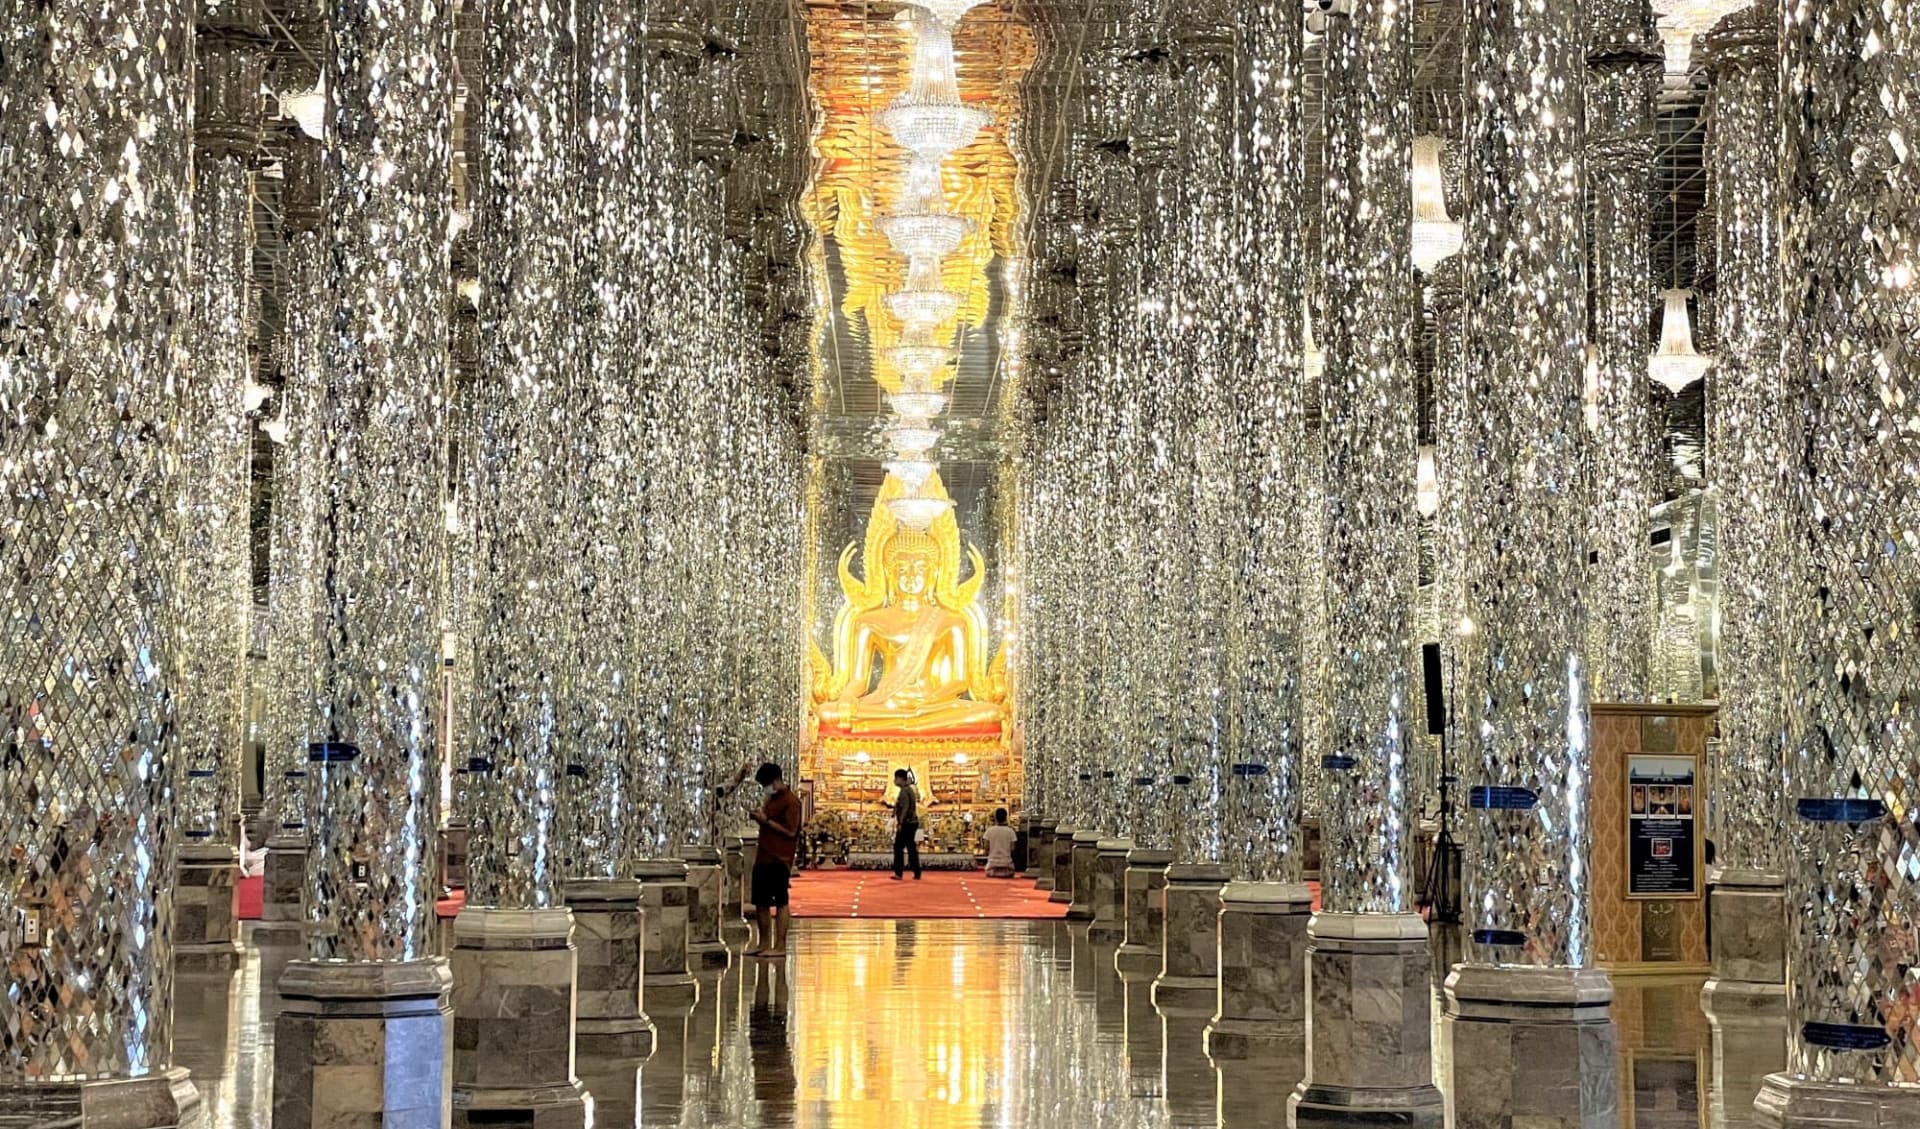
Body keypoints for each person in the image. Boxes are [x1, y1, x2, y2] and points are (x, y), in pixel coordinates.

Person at [747, 762, 803, 959]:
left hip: (780, 858)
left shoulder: (791, 801)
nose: (766, 789)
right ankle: (763, 943)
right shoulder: (771, 799)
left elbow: (791, 831)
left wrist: (766, 822)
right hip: (764, 855)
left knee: (780, 901)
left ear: (778, 780)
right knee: (760, 902)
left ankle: (780, 945)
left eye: (768, 784)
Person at [887, 768, 922, 880]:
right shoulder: (910, 790)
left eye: (895, 778)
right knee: (911, 847)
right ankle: (917, 871)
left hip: (907, 823)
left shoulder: (904, 791)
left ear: (900, 779)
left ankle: (899, 872)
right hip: (912, 822)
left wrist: (900, 822)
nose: (894, 781)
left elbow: (905, 807)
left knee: (898, 847)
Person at [982, 808, 1017, 878]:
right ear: (1006, 817)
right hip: (1007, 865)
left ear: (995, 817)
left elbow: (986, 848)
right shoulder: (1011, 831)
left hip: (992, 866)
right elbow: (1013, 848)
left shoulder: (989, 831)